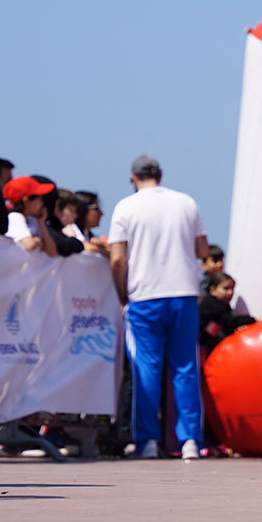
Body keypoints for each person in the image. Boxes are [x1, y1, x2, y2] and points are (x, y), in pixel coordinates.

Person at [108, 154, 208, 461]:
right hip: (183, 293)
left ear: (133, 178)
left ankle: (147, 441)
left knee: (145, 370)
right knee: (185, 368)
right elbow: (202, 249)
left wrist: (121, 292)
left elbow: (117, 258)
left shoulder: (126, 207)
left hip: (144, 295)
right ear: (160, 176)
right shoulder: (186, 202)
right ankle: (190, 441)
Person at [198, 272, 255, 353]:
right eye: (226, 288)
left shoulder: (224, 305)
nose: (230, 292)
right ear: (213, 290)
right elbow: (229, 321)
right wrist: (253, 320)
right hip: (199, 345)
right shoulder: (210, 304)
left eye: (232, 289)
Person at [3, 175, 59, 254]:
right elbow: (30, 245)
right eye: (40, 199)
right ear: (26, 200)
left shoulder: (33, 220)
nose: (43, 203)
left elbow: (52, 252)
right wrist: (37, 240)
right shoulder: (15, 217)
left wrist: (42, 224)